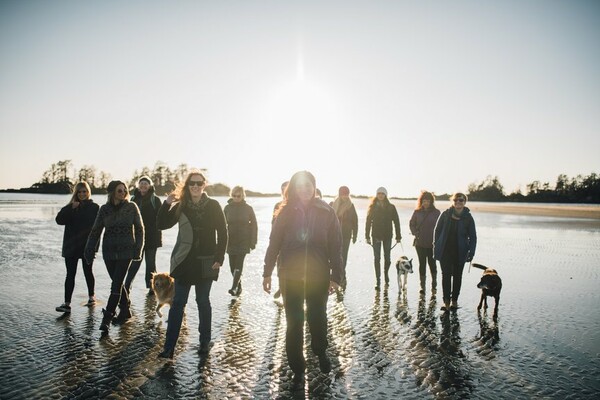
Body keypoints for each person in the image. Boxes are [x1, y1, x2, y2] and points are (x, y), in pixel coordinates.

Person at [262, 171, 343, 381]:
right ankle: (297, 365)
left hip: (319, 275)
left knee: (318, 317)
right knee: (294, 321)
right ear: (294, 189)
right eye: (300, 186)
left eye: (308, 185)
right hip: (290, 275)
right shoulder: (285, 212)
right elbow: (274, 243)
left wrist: (336, 277)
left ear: (314, 186)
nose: (305, 189)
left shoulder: (327, 212)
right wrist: (267, 272)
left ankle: (320, 350)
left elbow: (336, 247)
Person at [156, 171, 227, 358]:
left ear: (204, 185)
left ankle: (205, 342)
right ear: (187, 186)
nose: (195, 186)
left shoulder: (213, 205)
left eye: (199, 183)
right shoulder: (182, 206)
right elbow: (161, 224)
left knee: (203, 302)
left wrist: (219, 258)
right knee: (177, 303)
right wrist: (166, 204)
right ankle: (168, 348)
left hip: (207, 262)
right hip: (184, 262)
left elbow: (223, 232)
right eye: (192, 183)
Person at [84, 180, 144, 332]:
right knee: (117, 282)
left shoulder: (132, 207)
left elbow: (139, 229)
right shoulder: (104, 209)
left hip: (126, 252)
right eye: (119, 191)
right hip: (109, 252)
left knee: (115, 285)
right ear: (111, 193)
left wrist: (138, 249)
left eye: (124, 190)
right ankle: (125, 310)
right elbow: (96, 230)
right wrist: (89, 250)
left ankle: (107, 318)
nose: (123, 193)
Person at [55, 182, 99, 313]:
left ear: (88, 192)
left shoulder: (94, 207)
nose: (82, 194)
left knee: (88, 272)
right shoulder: (71, 206)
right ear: (76, 193)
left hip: (87, 247)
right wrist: (70, 208)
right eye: (79, 192)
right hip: (71, 247)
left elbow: (98, 229)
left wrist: (94, 247)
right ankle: (67, 304)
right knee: (70, 275)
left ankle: (91, 297)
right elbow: (59, 220)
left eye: (84, 191)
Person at [433, 192, 477, 311]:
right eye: (456, 200)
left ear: (464, 202)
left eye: (461, 200)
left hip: (461, 251)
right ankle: (446, 302)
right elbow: (437, 231)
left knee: (457, 277)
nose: (458, 202)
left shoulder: (468, 217)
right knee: (445, 276)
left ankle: (454, 301)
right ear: (453, 201)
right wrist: (436, 246)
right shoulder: (446, 214)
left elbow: (473, 236)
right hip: (445, 250)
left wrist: (471, 252)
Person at [124, 176, 162, 297]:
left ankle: (151, 288)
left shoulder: (155, 200)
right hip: (137, 237)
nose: (143, 186)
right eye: (141, 184)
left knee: (151, 264)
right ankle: (126, 286)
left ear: (150, 186)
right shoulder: (133, 199)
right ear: (138, 186)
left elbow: (161, 218)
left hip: (152, 237)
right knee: (135, 262)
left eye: (146, 184)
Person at [223, 186, 257, 296]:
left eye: (238, 196)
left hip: (244, 240)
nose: (236, 198)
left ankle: (233, 288)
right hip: (230, 240)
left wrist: (253, 242)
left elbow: (254, 226)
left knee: (238, 264)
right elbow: (222, 226)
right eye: (234, 196)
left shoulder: (248, 208)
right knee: (232, 267)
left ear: (242, 196)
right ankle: (239, 286)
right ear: (231, 195)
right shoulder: (227, 208)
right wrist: (221, 242)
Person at [365, 187, 401, 289]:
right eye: (379, 193)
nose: (380, 195)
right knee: (377, 259)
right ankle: (378, 280)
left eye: (382, 194)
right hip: (376, 235)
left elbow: (396, 222)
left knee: (387, 258)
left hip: (387, 235)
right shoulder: (372, 207)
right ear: (377, 195)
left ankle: (386, 276)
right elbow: (368, 222)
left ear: (385, 195)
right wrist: (367, 236)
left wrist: (398, 236)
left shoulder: (391, 207)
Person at [409, 191, 441, 294]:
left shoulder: (436, 213)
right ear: (421, 201)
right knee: (422, 264)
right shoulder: (417, 212)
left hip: (433, 244)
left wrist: (439, 239)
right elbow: (411, 224)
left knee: (432, 264)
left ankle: (434, 284)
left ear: (431, 201)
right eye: (424, 200)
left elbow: (441, 227)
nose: (426, 202)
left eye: (428, 200)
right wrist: (415, 233)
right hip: (420, 243)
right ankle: (422, 286)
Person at [329, 186, 358, 290]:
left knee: (343, 256)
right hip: (333, 235)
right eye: (343, 194)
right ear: (340, 194)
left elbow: (355, 220)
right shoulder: (332, 204)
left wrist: (355, 235)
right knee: (334, 255)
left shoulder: (350, 206)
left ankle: (341, 277)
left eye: (347, 194)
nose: (345, 196)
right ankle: (336, 276)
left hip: (346, 235)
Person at [272, 180, 289, 299]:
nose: (284, 191)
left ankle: (286, 289)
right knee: (279, 265)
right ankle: (281, 287)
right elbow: (273, 222)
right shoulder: (277, 205)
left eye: (286, 189)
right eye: (282, 189)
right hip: (279, 241)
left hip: (291, 242)